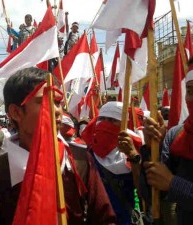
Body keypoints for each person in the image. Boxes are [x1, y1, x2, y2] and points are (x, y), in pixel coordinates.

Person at [0, 67, 116, 225]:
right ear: (16, 112)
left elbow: (104, 219)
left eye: (58, 102)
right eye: (44, 101)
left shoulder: (77, 162)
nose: (58, 111)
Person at [142, 61, 193, 225]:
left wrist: (173, 183)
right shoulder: (175, 135)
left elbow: (168, 182)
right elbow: (154, 196)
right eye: (191, 91)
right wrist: (151, 150)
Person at [81, 101, 143, 225]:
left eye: (112, 120)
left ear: (123, 124)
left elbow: (142, 191)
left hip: (125, 218)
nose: (105, 124)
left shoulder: (134, 150)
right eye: (102, 119)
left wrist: (133, 157)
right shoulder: (87, 153)